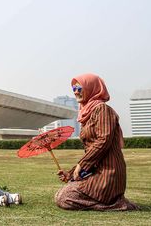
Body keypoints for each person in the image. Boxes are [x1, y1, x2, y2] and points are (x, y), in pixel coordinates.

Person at [54, 73, 139, 211]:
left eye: (79, 88)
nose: (76, 92)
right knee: (61, 195)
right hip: (95, 170)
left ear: (91, 88)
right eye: (74, 88)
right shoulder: (87, 114)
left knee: (63, 198)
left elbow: (103, 140)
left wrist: (82, 165)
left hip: (108, 173)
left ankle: (117, 205)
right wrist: (70, 174)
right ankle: (111, 202)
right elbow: (92, 150)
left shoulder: (102, 109)